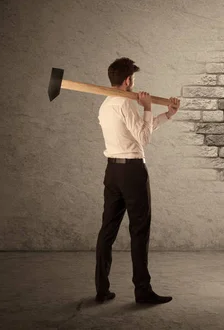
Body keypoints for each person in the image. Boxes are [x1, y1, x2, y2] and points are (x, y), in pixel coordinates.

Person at [95, 57, 180, 304]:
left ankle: (102, 289)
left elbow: (141, 130)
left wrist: (168, 115)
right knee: (139, 231)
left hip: (112, 172)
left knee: (107, 230)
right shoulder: (127, 103)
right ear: (128, 80)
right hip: (132, 172)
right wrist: (146, 106)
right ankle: (142, 292)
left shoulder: (105, 105)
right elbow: (143, 138)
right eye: (133, 79)